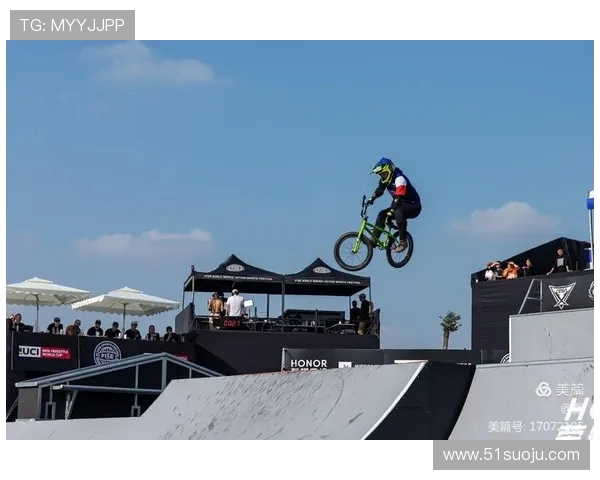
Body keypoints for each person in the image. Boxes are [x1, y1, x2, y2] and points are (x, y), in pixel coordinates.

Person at [367, 157, 422, 252]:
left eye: (384, 173)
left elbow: (397, 198)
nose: (383, 176)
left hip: (413, 205)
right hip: (400, 203)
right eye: (380, 174)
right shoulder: (384, 180)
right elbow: (380, 190)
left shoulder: (399, 178)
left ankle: (403, 242)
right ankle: (374, 239)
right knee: (382, 214)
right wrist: (372, 198)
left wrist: (391, 210)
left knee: (398, 212)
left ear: (390, 170)